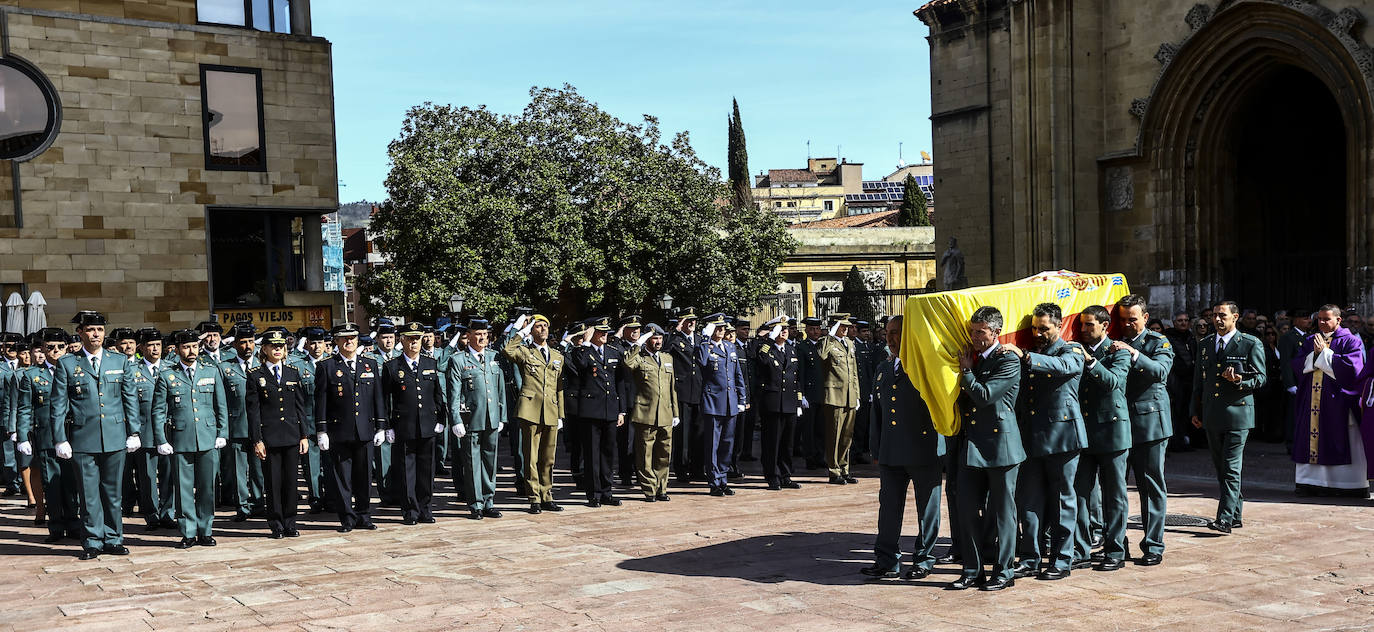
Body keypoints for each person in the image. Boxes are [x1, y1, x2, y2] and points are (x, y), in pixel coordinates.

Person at [1002, 303, 1085, 581]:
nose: (1038, 333)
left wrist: (1026, 356)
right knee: (1029, 501)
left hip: (1063, 438)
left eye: (1044, 328)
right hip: (1032, 438)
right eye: (1034, 328)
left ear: (1059, 326)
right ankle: (1030, 558)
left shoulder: (1071, 350)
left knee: (1062, 501)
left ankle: (1062, 559)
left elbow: (1063, 367)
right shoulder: (1031, 352)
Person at [48, 311, 140, 560]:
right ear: (80, 332)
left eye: (99, 329)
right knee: (88, 494)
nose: (96, 334)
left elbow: (130, 398)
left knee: (113, 493)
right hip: (83, 438)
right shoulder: (68, 363)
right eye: (90, 330)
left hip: (115, 435)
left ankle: (113, 538)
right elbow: (58, 404)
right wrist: (60, 438)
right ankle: (92, 540)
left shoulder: (119, 361)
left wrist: (134, 431)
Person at [861, 315, 945, 580]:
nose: (890, 338)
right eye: (888, 332)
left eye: (896, 332)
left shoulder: (926, 365)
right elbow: (877, 412)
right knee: (888, 508)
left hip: (923, 448)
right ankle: (886, 560)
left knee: (927, 509)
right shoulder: (884, 368)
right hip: (891, 451)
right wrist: (876, 448)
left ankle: (924, 559)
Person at [949, 306, 1024, 592]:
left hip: (1001, 446)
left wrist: (967, 371)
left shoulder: (1007, 360)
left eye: (980, 332)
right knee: (967, 510)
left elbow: (985, 396)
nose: (974, 337)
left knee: (1003, 514)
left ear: (996, 332)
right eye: (972, 331)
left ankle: (1004, 571)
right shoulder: (973, 356)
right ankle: (972, 570)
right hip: (973, 445)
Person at [1108, 294, 1174, 565]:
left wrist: (1133, 353)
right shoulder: (1113, 341)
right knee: (1115, 488)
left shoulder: (1158, 342)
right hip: (1118, 424)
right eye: (1122, 319)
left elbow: (1160, 371)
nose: (1126, 324)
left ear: (1145, 318)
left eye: (1132, 319)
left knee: (1151, 487)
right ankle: (1116, 545)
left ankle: (1153, 545)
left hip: (1149, 425)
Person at [1191, 300, 1266, 534]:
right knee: (1221, 468)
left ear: (1235, 317)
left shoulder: (1250, 343)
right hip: (1212, 413)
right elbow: (1199, 381)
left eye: (1222, 315)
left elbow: (1261, 378)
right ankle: (1235, 514)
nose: (1217, 320)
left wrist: (1240, 380)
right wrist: (1195, 410)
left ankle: (1224, 519)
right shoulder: (1205, 344)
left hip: (1237, 414)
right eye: (1214, 315)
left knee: (1231, 467)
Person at [151, 329, 229, 549]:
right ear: (177, 350)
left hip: (208, 437)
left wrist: (222, 433)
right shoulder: (167, 375)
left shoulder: (211, 371)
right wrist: (161, 439)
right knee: (183, 489)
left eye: (194, 346)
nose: (191, 351)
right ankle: (188, 531)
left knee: (207, 487)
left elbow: (221, 406)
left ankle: (206, 530)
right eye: (186, 347)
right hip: (180, 439)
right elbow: (158, 411)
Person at [1072, 306, 1132, 571]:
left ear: (1105, 326)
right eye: (1081, 325)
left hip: (1112, 433)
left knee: (1114, 496)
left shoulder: (1118, 351)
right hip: (1084, 433)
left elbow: (1113, 382)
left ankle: (1116, 549)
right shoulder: (1077, 351)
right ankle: (1081, 549)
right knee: (1080, 494)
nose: (1083, 330)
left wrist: (1090, 361)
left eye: (1090, 325)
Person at [316, 323, 386, 533]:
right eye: (344, 338)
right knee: (342, 478)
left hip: (365, 429)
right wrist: (322, 430)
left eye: (353, 338)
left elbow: (378, 397)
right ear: (336, 341)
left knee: (364, 477)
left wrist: (381, 425)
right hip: (339, 431)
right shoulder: (327, 366)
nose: (349, 342)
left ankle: (364, 515)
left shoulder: (369, 364)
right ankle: (347, 517)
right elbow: (321, 401)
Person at [1291, 305, 1368, 498]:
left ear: (1338, 320)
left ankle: (1347, 484)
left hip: (1338, 401)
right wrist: (1317, 354)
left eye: (1326, 319)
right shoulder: (1310, 340)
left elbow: (1354, 369)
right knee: (1310, 437)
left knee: (1338, 436)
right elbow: (1297, 364)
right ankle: (1310, 483)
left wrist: (1324, 354)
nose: (1322, 322)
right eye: (1319, 319)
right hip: (1312, 400)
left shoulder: (1351, 341)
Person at [15, 329, 80, 543]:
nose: (55, 351)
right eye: (50, 347)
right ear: (43, 348)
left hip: (72, 434)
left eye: (60, 347)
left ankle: (73, 523)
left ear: (66, 348)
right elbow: (25, 408)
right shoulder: (32, 375)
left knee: (71, 482)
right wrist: (23, 436)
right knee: (51, 483)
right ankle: (56, 526)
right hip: (46, 435)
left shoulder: (77, 370)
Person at [379, 322, 446, 524]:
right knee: (406, 470)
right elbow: (384, 399)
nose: (414, 343)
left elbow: (438, 394)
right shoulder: (392, 366)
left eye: (417, 339)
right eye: (410, 339)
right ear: (402, 340)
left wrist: (441, 419)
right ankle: (410, 511)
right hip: (404, 426)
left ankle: (425, 509)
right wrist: (387, 426)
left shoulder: (430, 363)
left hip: (427, 424)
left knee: (426, 470)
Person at [500, 314, 566, 514]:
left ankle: (547, 495)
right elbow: (507, 350)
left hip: (551, 410)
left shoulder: (557, 356)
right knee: (530, 457)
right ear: (532, 330)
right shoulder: (525, 352)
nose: (543, 329)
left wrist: (561, 414)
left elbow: (559, 387)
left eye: (545, 325)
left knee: (548, 458)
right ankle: (534, 497)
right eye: (538, 326)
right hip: (530, 410)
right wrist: (522, 331)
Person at [246, 330, 308, 538]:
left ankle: (290, 522)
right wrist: (257, 440)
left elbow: (300, 407)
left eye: (281, 346)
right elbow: (253, 412)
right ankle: (276, 524)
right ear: (264, 349)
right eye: (273, 346)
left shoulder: (292, 373)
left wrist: (304, 435)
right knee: (273, 483)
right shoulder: (256, 375)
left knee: (291, 482)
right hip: (270, 437)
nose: (278, 349)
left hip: (291, 435)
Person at [447, 317, 507, 519]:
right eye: (478, 334)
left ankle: (489, 501)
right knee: (472, 462)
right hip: (471, 419)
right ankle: (476, 504)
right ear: (468, 336)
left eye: (485, 334)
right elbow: (454, 394)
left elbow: (500, 389)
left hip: (492, 417)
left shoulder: (493, 356)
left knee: (490, 461)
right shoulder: (458, 360)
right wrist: (456, 419)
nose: (482, 338)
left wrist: (502, 416)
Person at [566, 316, 627, 507]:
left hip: (610, 409)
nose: (604, 335)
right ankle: (594, 494)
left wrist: (622, 411)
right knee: (592, 453)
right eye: (600, 332)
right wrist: (585, 342)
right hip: (590, 410)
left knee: (608, 453)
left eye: (606, 332)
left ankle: (607, 491)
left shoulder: (613, 352)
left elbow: (620, 382)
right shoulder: (582, 351)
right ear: (592, 333)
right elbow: (581, 365)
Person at [621, 324, 679, 501]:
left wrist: (675, 412)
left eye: (660, 338)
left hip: (665, 413)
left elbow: (672, 388)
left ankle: (662, 488)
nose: (658, 342)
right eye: (654, 338)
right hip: (646, 413)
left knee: (664, 454)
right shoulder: (640, 358)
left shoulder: (667, 358)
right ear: (647, 340)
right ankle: (649, 489)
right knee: (645, 454)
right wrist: (639, 342)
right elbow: (627, 362)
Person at [129, 328, 175, 531]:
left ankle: (168, 513)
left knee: (169, 475)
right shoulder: (132, 370)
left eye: (158, 345)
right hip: (145, 430)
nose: (155, 349)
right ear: (141, 348)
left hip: (168, 430)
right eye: (150, 345)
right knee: (146, 477)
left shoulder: (171, 368)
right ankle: (152, 515)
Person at [697, 314, 747, 496]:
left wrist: (742, 398)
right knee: (713, 444)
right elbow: (702, 362)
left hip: (730, 402)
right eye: (717, 328)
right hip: (713, 402)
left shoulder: (729, 346)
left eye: (723, 328)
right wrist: (704, 339)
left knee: (727, 443)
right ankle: (714, 481)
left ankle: (723, 478)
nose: (721, 330)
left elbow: (737, 374)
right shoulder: (705, 347)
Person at [219, 322, 264, 522]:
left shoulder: (262, 365)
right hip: (236, 426)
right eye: (243, 342)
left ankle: (259, 503)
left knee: (259, 469)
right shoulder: (224, 368)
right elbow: (221, 401)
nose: (248, 346)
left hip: (260, 426)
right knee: (238, 470)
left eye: (251, 342)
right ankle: (243, 506)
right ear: (235, 344)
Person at [753, 316, 803, 490]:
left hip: (789, 402)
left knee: (787, 444)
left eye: (786, 328)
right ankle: (772, 475)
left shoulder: (791, 350)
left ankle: (785, 475)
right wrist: (769, 340)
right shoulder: (765, 349)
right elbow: (761, 361)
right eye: (780, 329)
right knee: (772, 443)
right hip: (773, 403)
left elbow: (796, 378)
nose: (784, 331)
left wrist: (798, 401)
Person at [816, 314, 860, 485]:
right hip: (834, 396)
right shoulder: (826, 342)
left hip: (850, 395)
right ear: (835, 327)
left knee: (847, 435)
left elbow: (853, 371)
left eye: (847, 327)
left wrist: (857, 394)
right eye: (842, 326)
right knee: (834, 434)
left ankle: (844, 468)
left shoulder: (849, 343)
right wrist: (830, 335)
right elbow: (821, 355)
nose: (846, 329)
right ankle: (834, 471)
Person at [290, 327, 328, 513]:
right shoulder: (298, 367)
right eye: (313, 343)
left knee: (331, 464)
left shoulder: (332, 363)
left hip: (331, 423)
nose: (317, 347)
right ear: (307, 345)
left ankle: (332, 497)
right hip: (309, 423)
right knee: (311, 466)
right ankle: (316, 498)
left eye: (320, 343)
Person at [664, 308, 704, 483]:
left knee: (699, 432)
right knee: (683, 434)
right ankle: (681, 468)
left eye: (693, 320)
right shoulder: (675, 339)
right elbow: (664, 350)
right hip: (682, 391)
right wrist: (676, 331)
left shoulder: (700, 339)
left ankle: (697, 468)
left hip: (699, 390)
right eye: (688, 320)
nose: (692, 323)